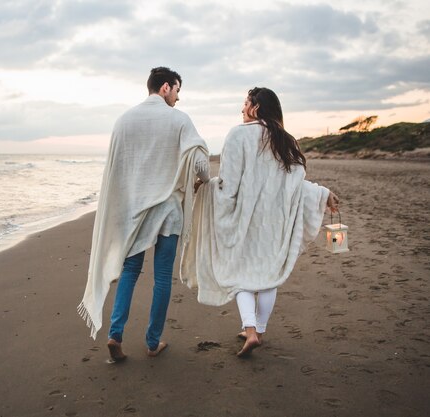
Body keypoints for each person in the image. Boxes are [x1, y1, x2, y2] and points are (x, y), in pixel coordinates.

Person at [181, 87, 339, 357]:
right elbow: (296, 185)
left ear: (256, 107)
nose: (242, 109)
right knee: (267, 276)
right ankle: (259, 331)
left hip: (245, 218)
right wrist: (323, 194)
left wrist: (207, 188)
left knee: (241, 273)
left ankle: (250, 329)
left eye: (245, 103)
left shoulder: (238, 135)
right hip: (275, 220)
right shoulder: (286, 139)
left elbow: (229, 185)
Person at [78, 67, 210, 362]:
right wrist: (201, 180)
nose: (178, 97)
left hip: (134, 213)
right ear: (166, 87)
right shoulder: (179, 119)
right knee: (162, 276)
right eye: (177, 90)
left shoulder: (124, 120)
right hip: (168, 212)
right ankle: (152, 342)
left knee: (130, 271)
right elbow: (201, 162)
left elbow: (116, 169)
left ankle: (115, 334)